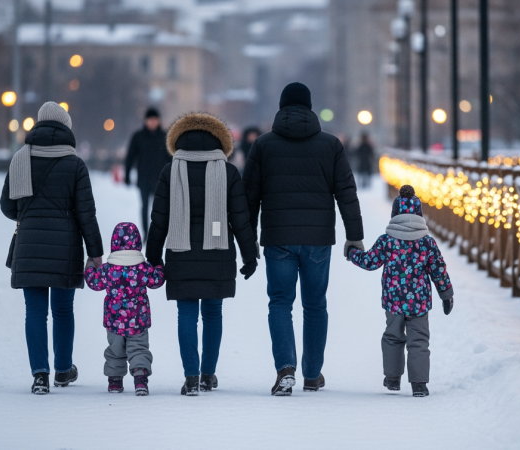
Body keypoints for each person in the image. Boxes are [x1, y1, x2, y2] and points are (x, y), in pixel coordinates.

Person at [243, 82, 364, 396]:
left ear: (281, 108)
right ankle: (311, 374)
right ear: (310, 108)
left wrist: (246, 242)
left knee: (280, 303)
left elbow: (248, 198)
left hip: (278, 238)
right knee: (315, 305)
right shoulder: (331, 145)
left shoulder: (263, 145)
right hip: (317, 239)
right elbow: (346, 194)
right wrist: (355, 237)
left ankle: (286, 368)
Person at [146, 112, 258, 396]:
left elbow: (159, 218)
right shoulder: (229, 171)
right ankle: (208, 374)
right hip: (217, 253)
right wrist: (249, 255)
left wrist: (154, 254)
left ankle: (192, 377)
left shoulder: (170, 171)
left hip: (180, 252)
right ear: (219, 141)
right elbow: (240, 218)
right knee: (212, 313)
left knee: (186, 313)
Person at [0, 102, 103, 395]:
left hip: (29, 244)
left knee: (34, 312)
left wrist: (29, 216)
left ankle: (39, 375)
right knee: (62, 309)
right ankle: (63, 370)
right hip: (65, 246)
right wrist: (95, 252)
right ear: (66, 127)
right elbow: (86, 213)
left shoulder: (21, 159)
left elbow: (7, 206)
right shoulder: (75, 164)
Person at [346, 185, 454, 398]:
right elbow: (438, 270)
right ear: (419, 214)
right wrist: (446, 294)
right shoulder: (426, 242)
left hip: (394, 301)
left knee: (393, 337)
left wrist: (352, 253)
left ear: (395, 213)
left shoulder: (387, 241)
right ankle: (419, 384)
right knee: (419, 340)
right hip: (420, 302)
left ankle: (393, 379)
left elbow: (370, 261)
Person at [85, 222, 165, 396]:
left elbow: (93, 282)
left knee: (115, 350)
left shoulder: (108, 269)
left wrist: (90, 265)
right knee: (139, 348)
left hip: (114, 321)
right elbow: (157, 280)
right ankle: (141, 380)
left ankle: (114, 381)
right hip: (138, 320)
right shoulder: (143, 268)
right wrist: (158, 265)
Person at [125, 107, 170, 238]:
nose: (152, 122)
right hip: (144, 178)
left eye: (155, 120)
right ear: (146, 121)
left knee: (160, 209)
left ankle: (159, 233)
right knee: (144, 207)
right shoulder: (138, 137)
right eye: (150, 120)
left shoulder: (165, 137)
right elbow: (130, 156)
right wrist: (127, 175)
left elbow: (171, 158)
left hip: (160, 180)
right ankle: (146, 233)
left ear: (158, 120)